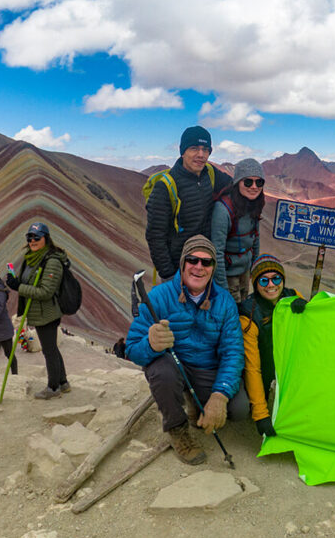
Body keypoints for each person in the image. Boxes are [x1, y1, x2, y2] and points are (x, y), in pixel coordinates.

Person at [125, 235, 246, 465]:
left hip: (205, 369)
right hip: (173, 366)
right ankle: (178, 430)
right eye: (192, 260)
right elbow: (132, 348)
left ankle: (194, 401)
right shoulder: (159, 297)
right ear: (183, 263)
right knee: (161, 372)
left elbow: (233, 352)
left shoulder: (225, 302)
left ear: (213, 268)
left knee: (238, 409)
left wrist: (219, 395)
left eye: (206, 262)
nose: (199, 267)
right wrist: (150, 344)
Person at [145, 125, 232, 281]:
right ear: (182, 151)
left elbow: (235, 187)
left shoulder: (210, 174)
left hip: (204, 267)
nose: (201, 155)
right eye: (194, 148)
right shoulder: (165, 186)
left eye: (206, 150)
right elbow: (155, 235)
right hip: (177, 272)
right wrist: (169, 274)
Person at [238, 255, 302, 437]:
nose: (271, 285)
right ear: (256, 285)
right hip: (263, 364)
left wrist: (307, 310)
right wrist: (260, 414)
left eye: (276, 278)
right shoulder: (248, 315)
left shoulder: (293, 295)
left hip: (288, 361)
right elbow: (252, 367)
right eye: (264, 280)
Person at [6, 222, 71, 399]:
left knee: (48, 350)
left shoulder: (52, 261)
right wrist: (15, 281)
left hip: (47, 312)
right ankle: (63, 382)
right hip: (39, 311)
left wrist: (19, 287)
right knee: (51, 348)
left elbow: (46, 291)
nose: (33, 241)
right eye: (30, 237)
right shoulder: (32, 258)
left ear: (46, 239)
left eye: (37, 237)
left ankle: (53, 387)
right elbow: (28, 282)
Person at [211, 158, 264, 301]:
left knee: (244, 309)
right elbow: (217, 252)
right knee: (232, 313)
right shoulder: (222, 210)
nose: (254, 186)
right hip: (227, 276)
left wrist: (254, 268)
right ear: (237, 182)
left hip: (245, 272)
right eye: (248, 182)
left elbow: (255, 239)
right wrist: (223, 290)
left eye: (259, 182)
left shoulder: (254, 204)